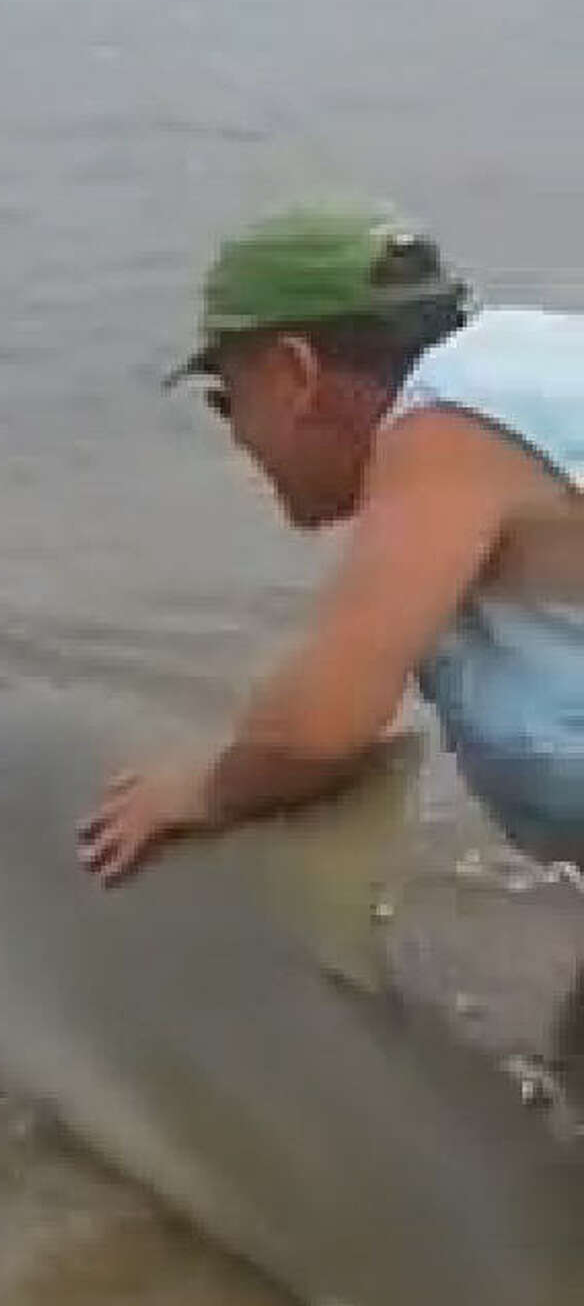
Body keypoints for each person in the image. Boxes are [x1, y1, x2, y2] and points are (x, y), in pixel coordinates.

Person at [78, 201, 584, 885]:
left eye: (228, 399)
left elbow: (323, 726)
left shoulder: (453, 422)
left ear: (294, 373)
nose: (237, 439)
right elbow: (330, 679)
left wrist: (204, 788)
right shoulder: (519, 385)